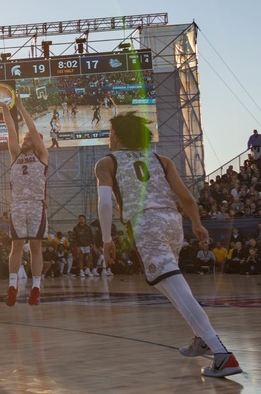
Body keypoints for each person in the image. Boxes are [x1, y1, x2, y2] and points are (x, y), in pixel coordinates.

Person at [96, 113, 242, 378]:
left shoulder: (106, 163)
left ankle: (221, 354)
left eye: (110, 131)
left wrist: (106, 239)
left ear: (116, 135)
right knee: (171, 286)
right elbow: (186, 197)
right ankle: (201, 338)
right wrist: (197, 224)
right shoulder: (161, 161)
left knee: (176, 288)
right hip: (173, 223)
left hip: (146, 224)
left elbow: (105, 204)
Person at [0, 101, 48, 306]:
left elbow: (33, 129)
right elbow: (11, 130)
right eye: (24, 137)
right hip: (18, 205)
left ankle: (36, 288)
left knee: (36, 247)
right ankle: (12, 285)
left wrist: (19, 106)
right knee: (16, 245)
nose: (25, 139)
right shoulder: (15, 155)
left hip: (36, 204)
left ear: (37, 143)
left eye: (29, 138)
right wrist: (3, 108)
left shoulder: (42, 156)